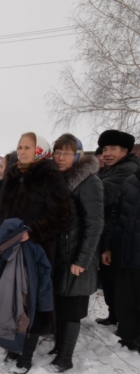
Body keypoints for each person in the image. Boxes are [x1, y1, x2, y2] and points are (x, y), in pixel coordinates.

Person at [0, 132, 74, 372]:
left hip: (35, 252)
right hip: (8, 251)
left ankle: (26, 354)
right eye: (19, 146)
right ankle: (12, 345)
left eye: (27, 147)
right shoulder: (13, 174)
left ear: (39, 149)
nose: (22, 151)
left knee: (29, 303)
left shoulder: (49, 175)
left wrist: (34, 231)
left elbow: (65, 215)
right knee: (10, 299)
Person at [50, 134, 103, 371]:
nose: (61, 158)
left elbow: (95, 224)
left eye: (67, 153)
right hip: (59, 254)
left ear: (78, 155)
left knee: (72, 308)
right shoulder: (57, 180)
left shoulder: (89, 182)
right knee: (60, 303)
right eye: (58, 152)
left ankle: (65, 357)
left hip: (77, 257)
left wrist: (82, 259)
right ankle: (58, 346)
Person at [97, 130, 140, 326]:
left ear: (125, 150)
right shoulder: (111, 169)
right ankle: (114, 315)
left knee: (119, 282)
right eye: (105, 149)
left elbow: (102, 194)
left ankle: (122, 320)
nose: (107, 153)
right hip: (112, 234)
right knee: (109, 279)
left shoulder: (127, 169)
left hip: (122, 237)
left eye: (113, 148)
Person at [103, 155, 140, 352]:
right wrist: (108, 246)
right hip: (124, 253)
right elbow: (116, 215)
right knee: (124, 300)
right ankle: (127, 337)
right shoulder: (130, 181)